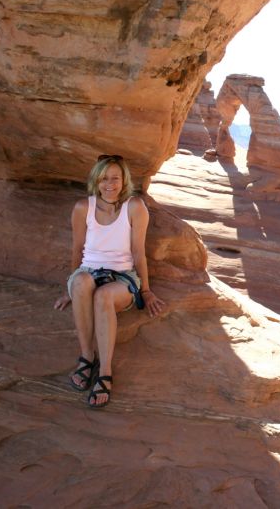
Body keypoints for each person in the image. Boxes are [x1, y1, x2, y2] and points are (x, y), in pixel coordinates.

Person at [54, 154, 165, 408]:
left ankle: (105, 371)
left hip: (121, 277)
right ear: (96, 180)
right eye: (104, 178)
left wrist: (146, 291)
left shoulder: (134, 207)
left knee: (103, 296)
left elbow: (138, 252)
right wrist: (70, 289)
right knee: (81, 284)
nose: (109, 184)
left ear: (124, 180)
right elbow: (77, 249)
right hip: (88, 271)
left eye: (115, 178)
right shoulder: (84, 207)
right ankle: (87, 357)